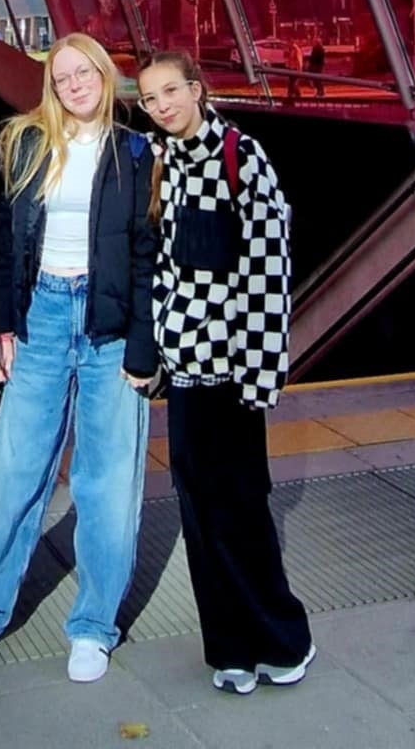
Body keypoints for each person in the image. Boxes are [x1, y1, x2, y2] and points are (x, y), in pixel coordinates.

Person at [0, 33, 158, 685]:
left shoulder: (136, 152)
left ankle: (93, 626)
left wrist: (145, 346)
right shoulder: (28, 143)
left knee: (106, 481)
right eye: (62, 77)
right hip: (41, 314)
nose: (74, 85)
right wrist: (4, 326)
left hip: (109, 327)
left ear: (104, 74)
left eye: (83, 73)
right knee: (13, 471)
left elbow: (148, 253)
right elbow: (6, 244)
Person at [136, 50, 314, 698]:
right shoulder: (167, 164)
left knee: (240, 512)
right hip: (186, 376)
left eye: (171, 92)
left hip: (232, 378)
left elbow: (269, 276)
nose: (162, 106)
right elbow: (164, 271)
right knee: (200, 516)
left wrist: (261, 378)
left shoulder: (242, 159)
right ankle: (231, 648)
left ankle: (284, 639)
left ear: (196, 89)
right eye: (150, 98)